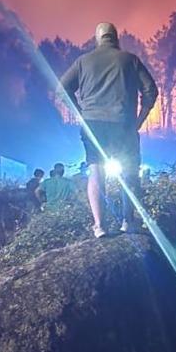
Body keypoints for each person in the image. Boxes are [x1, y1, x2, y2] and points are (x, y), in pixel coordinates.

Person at [59, 22, 159, 237]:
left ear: (98, 38)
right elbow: (151, 90)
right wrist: (139, 120)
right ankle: (127, 222)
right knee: (129, 172)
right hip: (123, 124)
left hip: (93, 124)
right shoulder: (130, 60)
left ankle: (99, 226)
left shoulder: (82, 62)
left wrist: (80, 112)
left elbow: (62, 89)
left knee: (96, 171)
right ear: (116, 38)